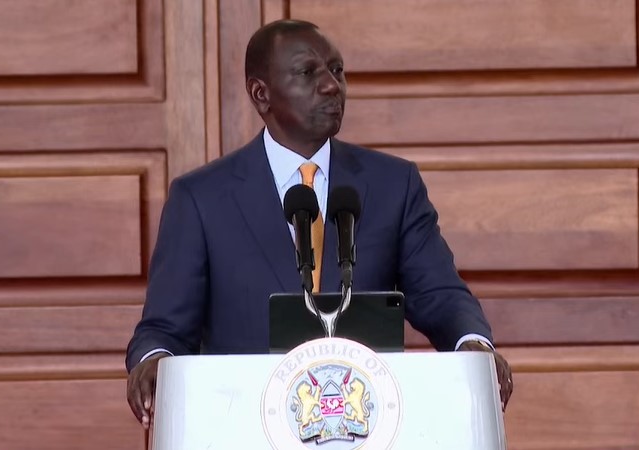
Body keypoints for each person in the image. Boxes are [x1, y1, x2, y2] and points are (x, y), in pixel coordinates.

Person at [125, 19, 513, 428]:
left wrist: (472, 343)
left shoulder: (392, 185)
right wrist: (154, 363)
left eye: (337, 70)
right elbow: (163, 329)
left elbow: (439, 293)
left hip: (366, 424)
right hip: (244, 425)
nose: (331, 85)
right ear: (262, 95)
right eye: (308, 73)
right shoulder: (201, 199)